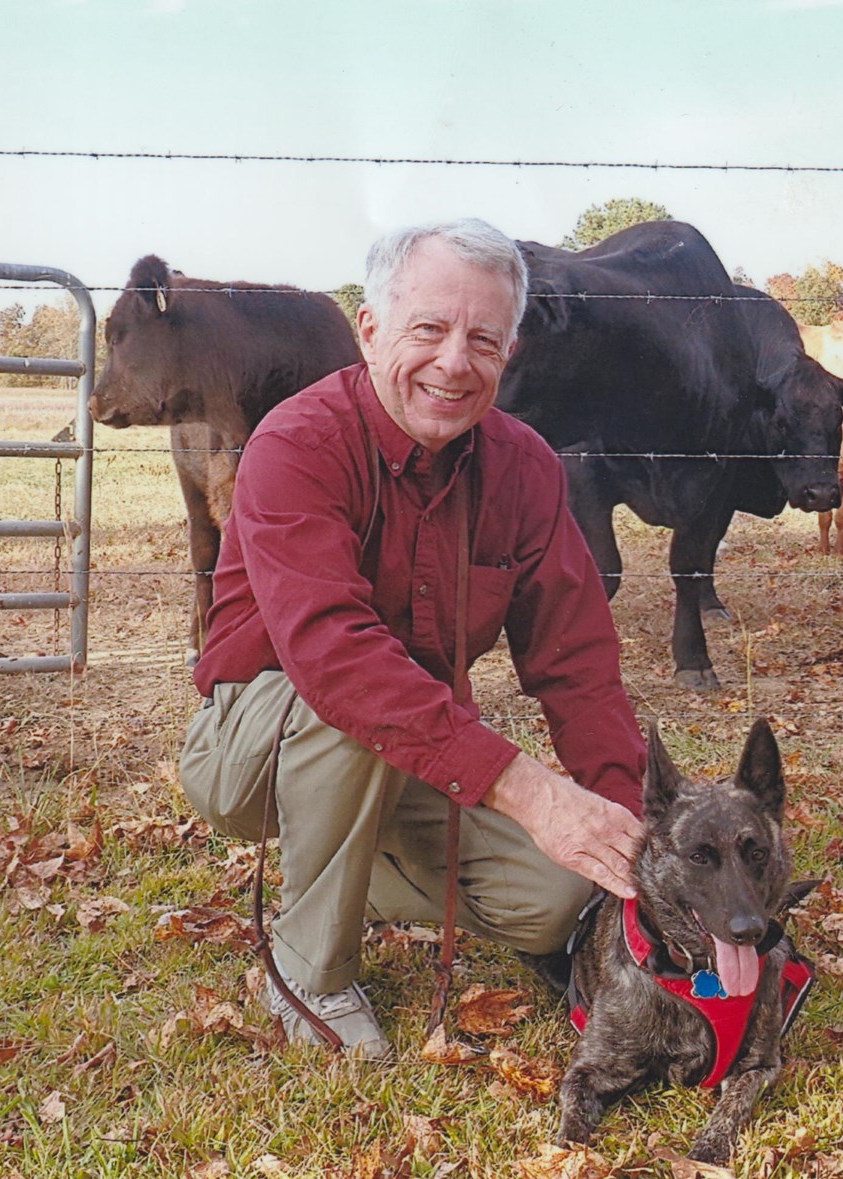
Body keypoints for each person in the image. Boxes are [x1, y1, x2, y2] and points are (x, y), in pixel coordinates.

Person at [179, 219, 647, 1058]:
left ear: (511, 352)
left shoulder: (527, 467)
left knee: (559, 895)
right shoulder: (296, 442)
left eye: (484, 339)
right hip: (260, 740)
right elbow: (337, 658)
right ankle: (308, 970)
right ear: (370, 329)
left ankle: (349, 868)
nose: (454, 362)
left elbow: (577, 662)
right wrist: (532, 791)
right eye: (428, 328)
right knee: (353, 694)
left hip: (414, 751)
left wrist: (625, 832)